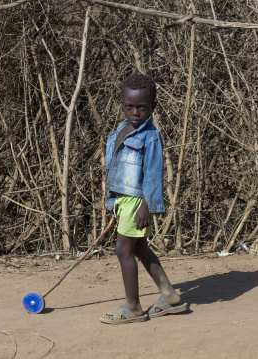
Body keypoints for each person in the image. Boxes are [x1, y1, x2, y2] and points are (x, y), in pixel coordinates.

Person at [100, 74, 188, 324]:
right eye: (130, 106)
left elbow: (152, 174)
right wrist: (113, 201)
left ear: (153, 107)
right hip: (123, 200)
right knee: (139, 247)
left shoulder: (150, 137)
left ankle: (134, 307)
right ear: (122, 103)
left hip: (138, 202)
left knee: (122, 250)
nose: (135, 112)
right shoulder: (120, 130)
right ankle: (169, 295)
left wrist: (147, 206)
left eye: (142, 107)